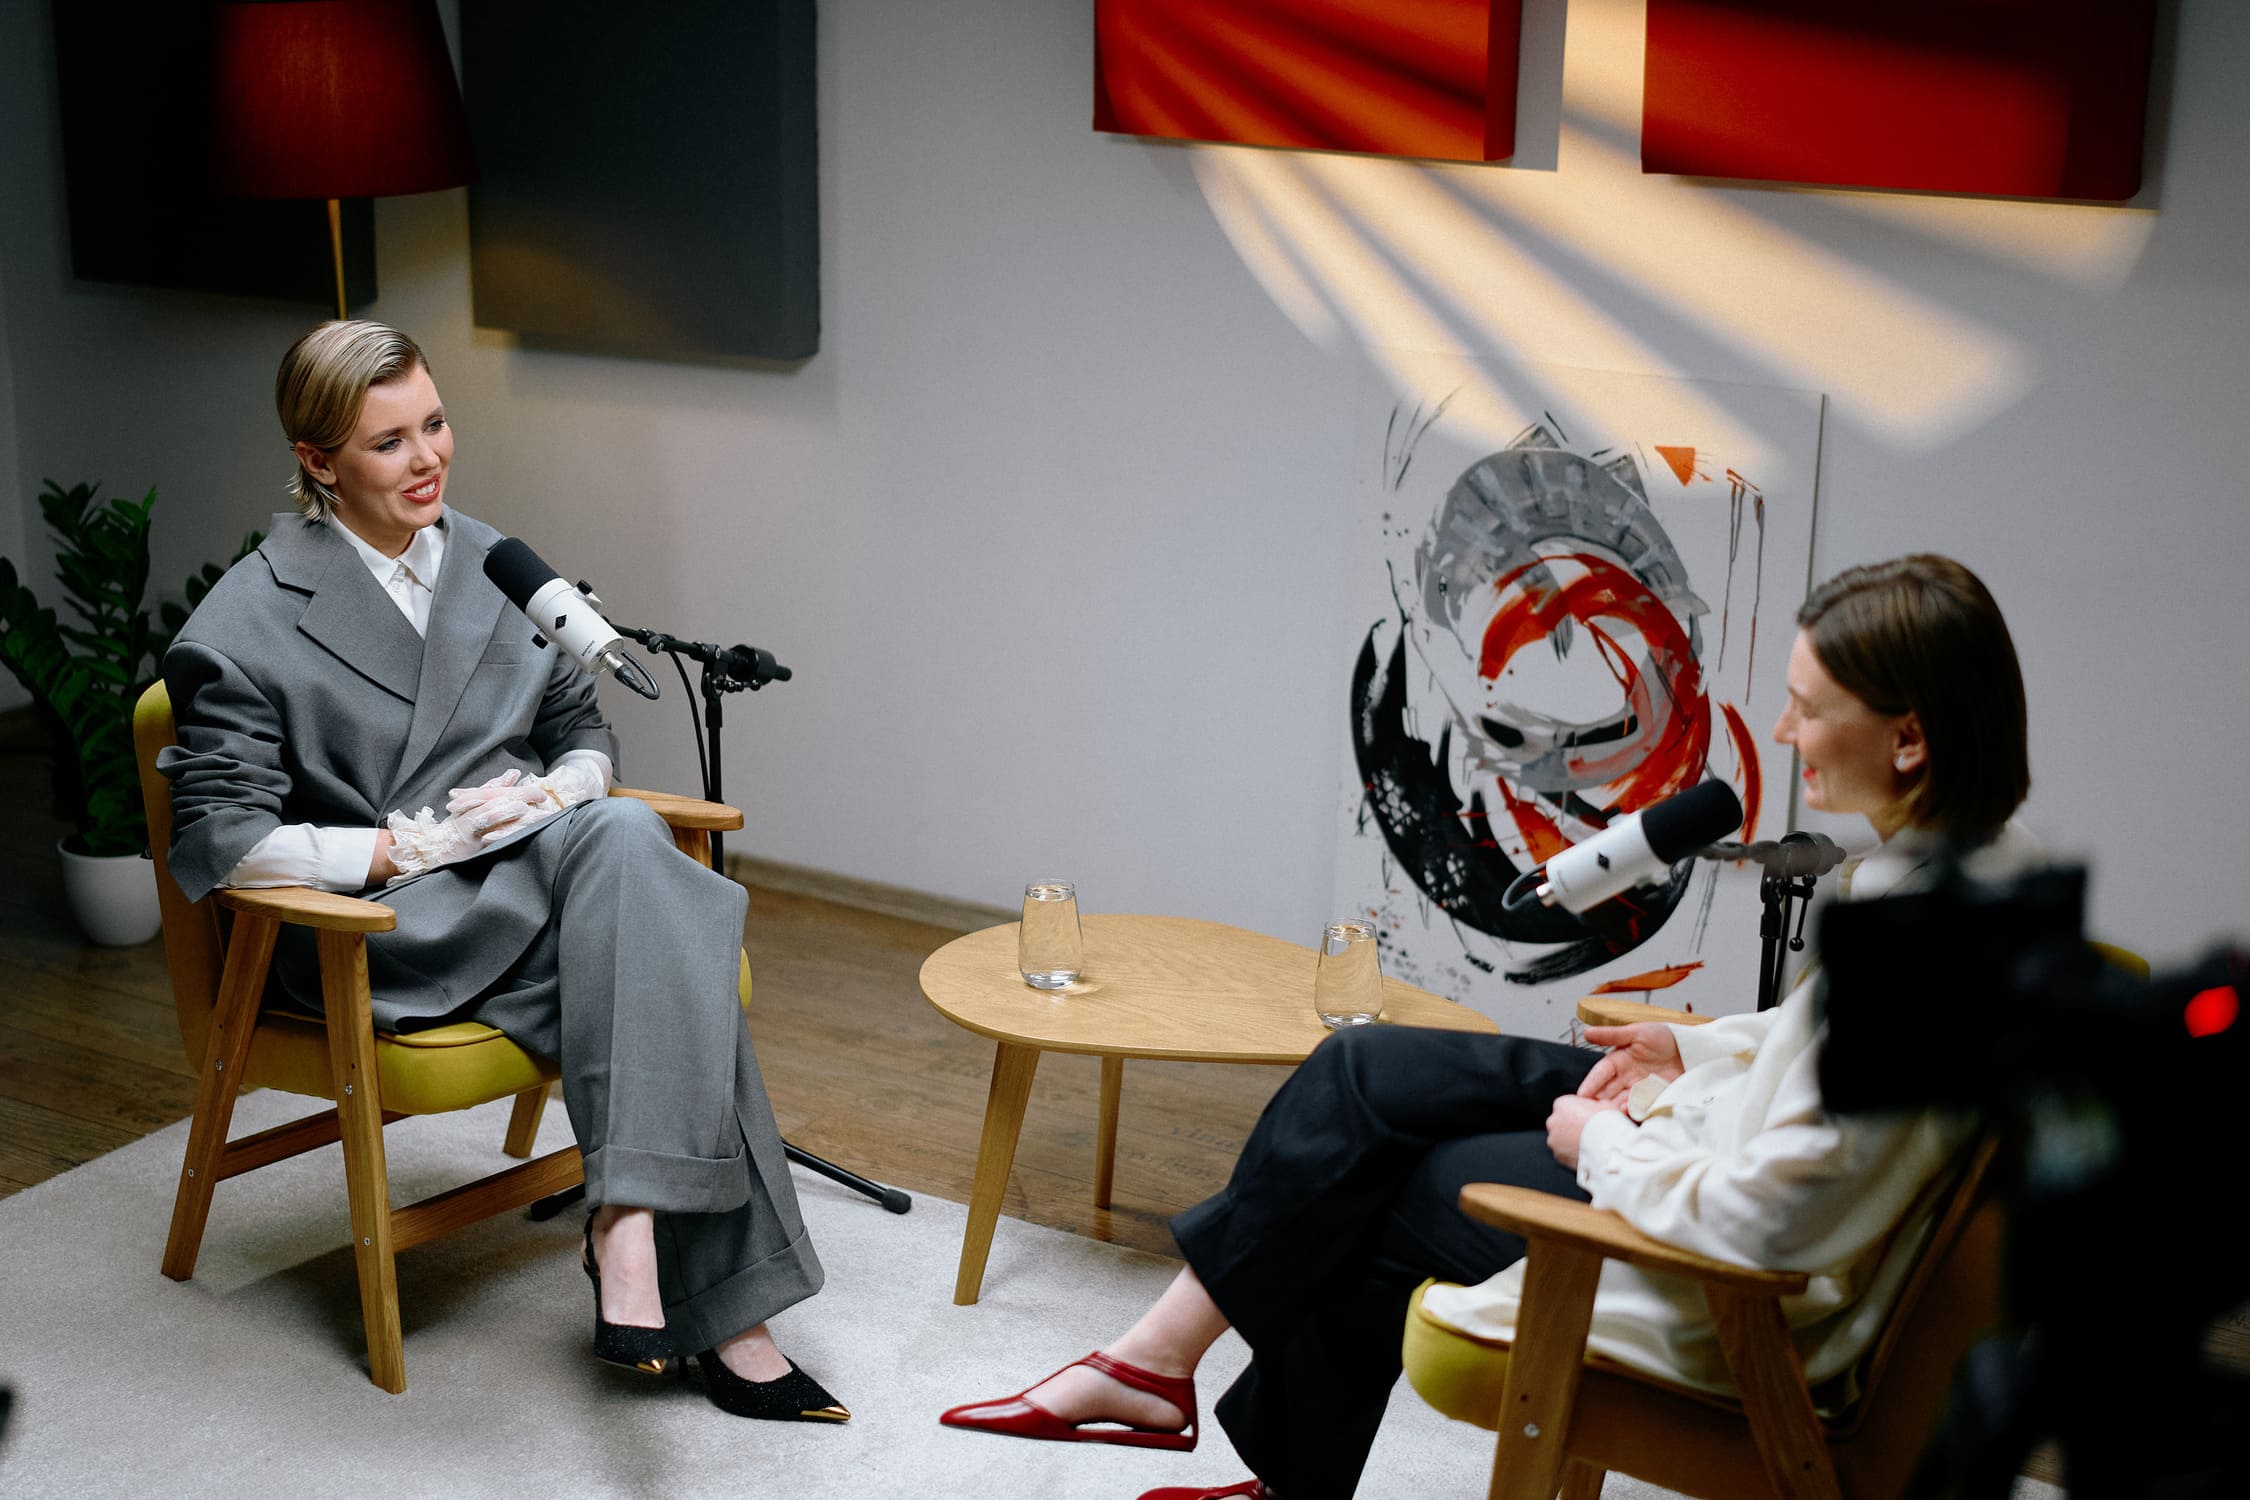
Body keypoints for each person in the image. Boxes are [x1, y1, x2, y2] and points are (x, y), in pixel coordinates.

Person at [938, 555, 2034, 1499]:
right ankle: (1154, 1364)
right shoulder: (1967, 875)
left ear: (1909, 739)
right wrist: (1692, 1047)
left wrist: (1603, 1147)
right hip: (1700, 1131)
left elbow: (1780, 1221)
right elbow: (1820, 1060)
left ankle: (1164, 1380)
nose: (1785, 731)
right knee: (1366, 1069)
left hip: (1710, 1268)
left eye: (1810, 707)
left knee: (1380, 1182)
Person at [159, 320, 847, 1423]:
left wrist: (551, 793)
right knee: (660, 918)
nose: (428, 458)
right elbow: (222, 839)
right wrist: (405, 848)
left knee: (623, 842)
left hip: (538, 879)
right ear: (317, 461)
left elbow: (585, 729)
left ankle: (637, 1231)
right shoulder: (245, 619)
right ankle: (702, 1292)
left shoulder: (495, 564)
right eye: (388, 442)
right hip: (392, 928)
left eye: (435, 424)